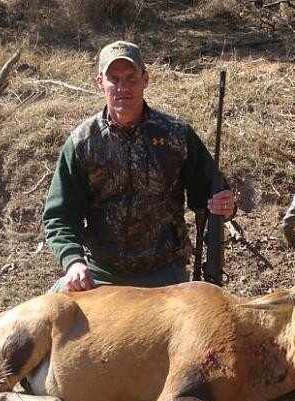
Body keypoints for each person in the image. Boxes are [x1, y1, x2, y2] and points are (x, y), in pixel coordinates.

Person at [43, 40, 236, 292]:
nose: (123, 87)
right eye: (115, 79)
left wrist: (225, 205)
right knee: (47, 315)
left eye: (131, 78)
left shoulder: (177, 135)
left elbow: (211, 195)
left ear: (145, 79)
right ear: (100, 82)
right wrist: (73, 263)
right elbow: (60, 215)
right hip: (100, 274)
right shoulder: (81, 142)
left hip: (163, 276)